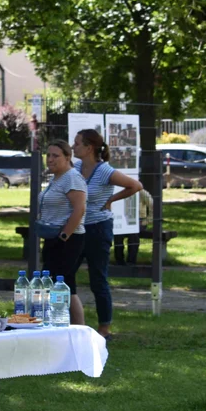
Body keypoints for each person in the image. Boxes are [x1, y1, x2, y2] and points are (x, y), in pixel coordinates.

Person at [72, 129, 143, 337]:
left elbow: (135, 185)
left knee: (98, 279)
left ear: (88, 148)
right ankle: (73, 323)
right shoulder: (75, 168)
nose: (74, 146)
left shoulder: (104, 171)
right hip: (77, 228)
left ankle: (104, 328)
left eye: (77, 143)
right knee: (64, 275)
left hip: (98, 229)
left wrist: (111, 200)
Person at [38, 140, 87, 320]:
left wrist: (64, 236)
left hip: (68, 239)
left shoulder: (72, 177)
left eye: (55, 156)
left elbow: (79, 209)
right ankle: (75, 328)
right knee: (66, 285)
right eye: (48, 155)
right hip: (54, 237)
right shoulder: (56, 177)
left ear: (68, 157)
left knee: (58, 283)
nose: (50, 159)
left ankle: (62, 324)